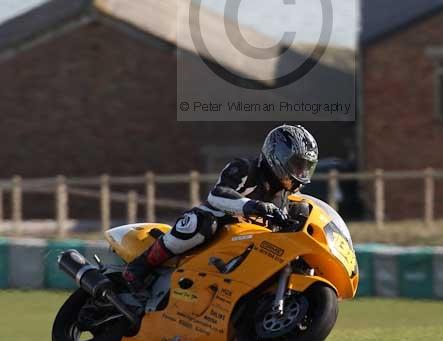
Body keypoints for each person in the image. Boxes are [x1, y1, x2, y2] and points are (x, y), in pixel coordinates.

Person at [122, 124, 318, 293]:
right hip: (219, 228)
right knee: (200, 223)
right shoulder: (245, 168)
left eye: (306, 167)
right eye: (297, 164)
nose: (301, 173)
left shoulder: (289, 198)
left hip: (248, 245)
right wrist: (254, 206)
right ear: (278, 155)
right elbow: (217, 195)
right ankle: (138, 268)